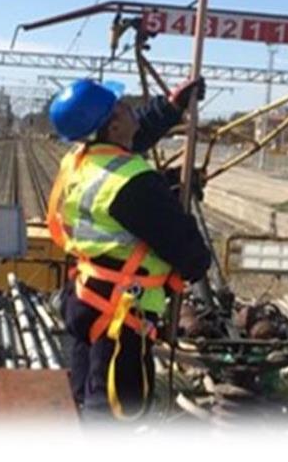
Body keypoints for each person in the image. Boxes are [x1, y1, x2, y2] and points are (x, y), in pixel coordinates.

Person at [45, 77, 211, 420]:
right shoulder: (133, 182)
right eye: (122, 107)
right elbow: (193, 258)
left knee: (84, 394)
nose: (132, 110)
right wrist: (170, 199)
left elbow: (134, 137)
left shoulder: (78, 159)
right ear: (114, 123)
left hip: (87, 296)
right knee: (114, 413)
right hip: (122, 316)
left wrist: (170, 106)